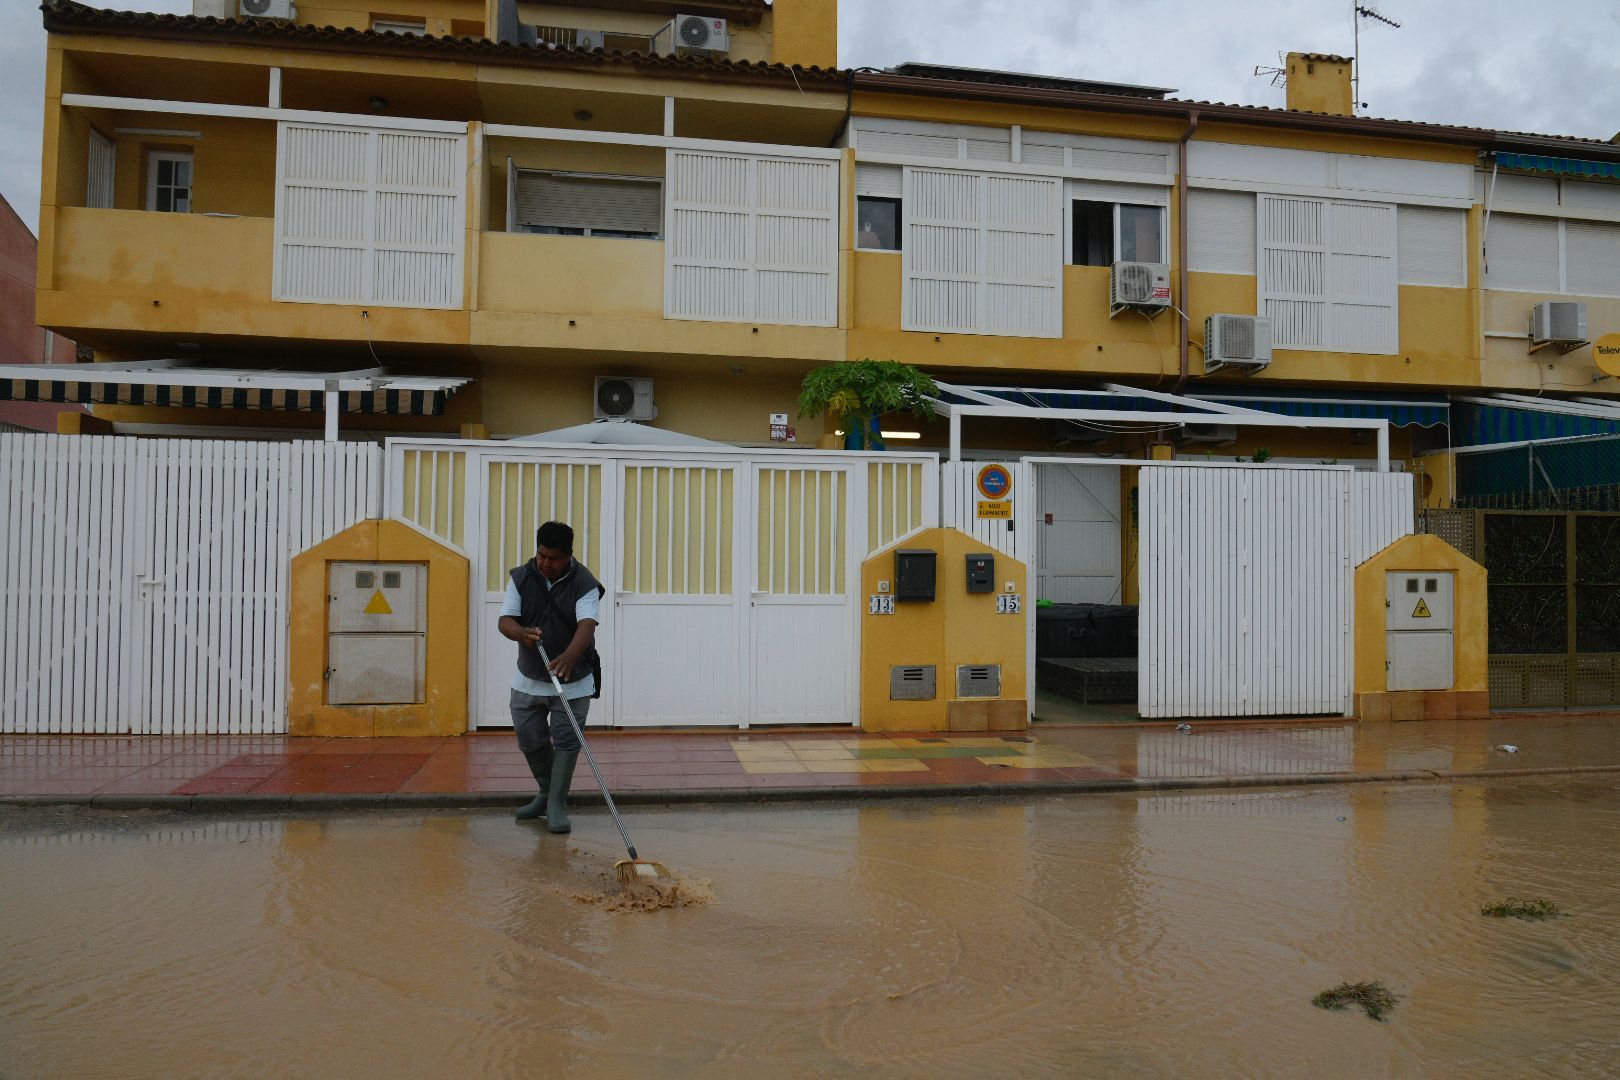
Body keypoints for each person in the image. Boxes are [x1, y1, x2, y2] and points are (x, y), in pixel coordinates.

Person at [497, 521, 604, 834]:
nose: (545, 563)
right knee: (529, 736)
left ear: (568, 555)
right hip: (529, 676)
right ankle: (545, 791)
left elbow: (587, 625)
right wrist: (520, 632)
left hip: (573, 680)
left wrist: (570, 656)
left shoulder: (584, 583)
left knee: (567, 740)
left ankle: (557, 803)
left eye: (553, 558)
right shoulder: (522, 577)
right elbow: (506, 620)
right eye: (541, 555)